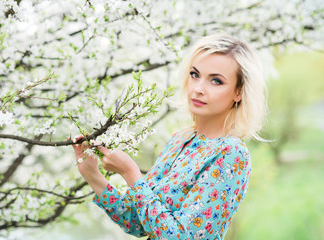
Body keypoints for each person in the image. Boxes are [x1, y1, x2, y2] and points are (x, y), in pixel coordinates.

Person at [69, 33, 267, 240]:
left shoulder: (231, 154)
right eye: (195, 74)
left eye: (216, 81)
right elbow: (138, 222)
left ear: (239, 92)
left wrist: (130, 173)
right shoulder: (181, 140)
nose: (198, 89)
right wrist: (93, 175)